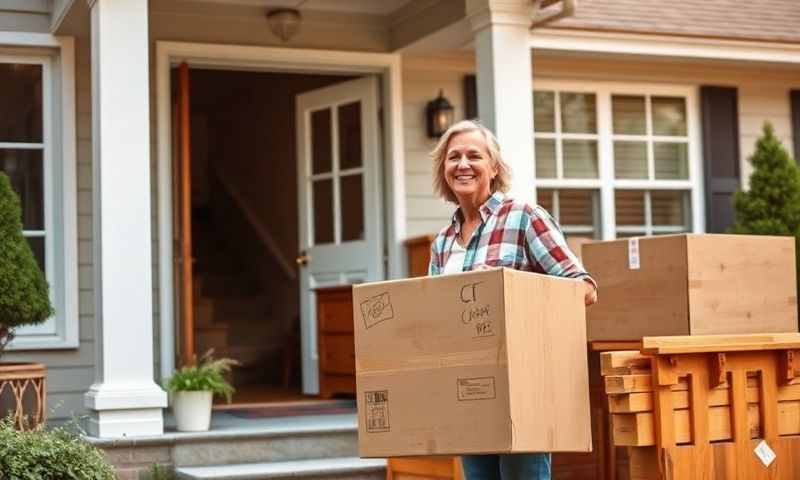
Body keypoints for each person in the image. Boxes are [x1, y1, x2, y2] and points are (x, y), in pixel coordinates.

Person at [427, 119, 598, 480]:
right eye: (453, 157)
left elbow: (582, 286)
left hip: (524, 387)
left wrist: (519, 296)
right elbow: (435, 318)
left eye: (474, 155)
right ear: (443, 170)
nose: (463, 164)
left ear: (493, 167)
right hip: (468, 388)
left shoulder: (523, 217)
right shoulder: (442, 241)